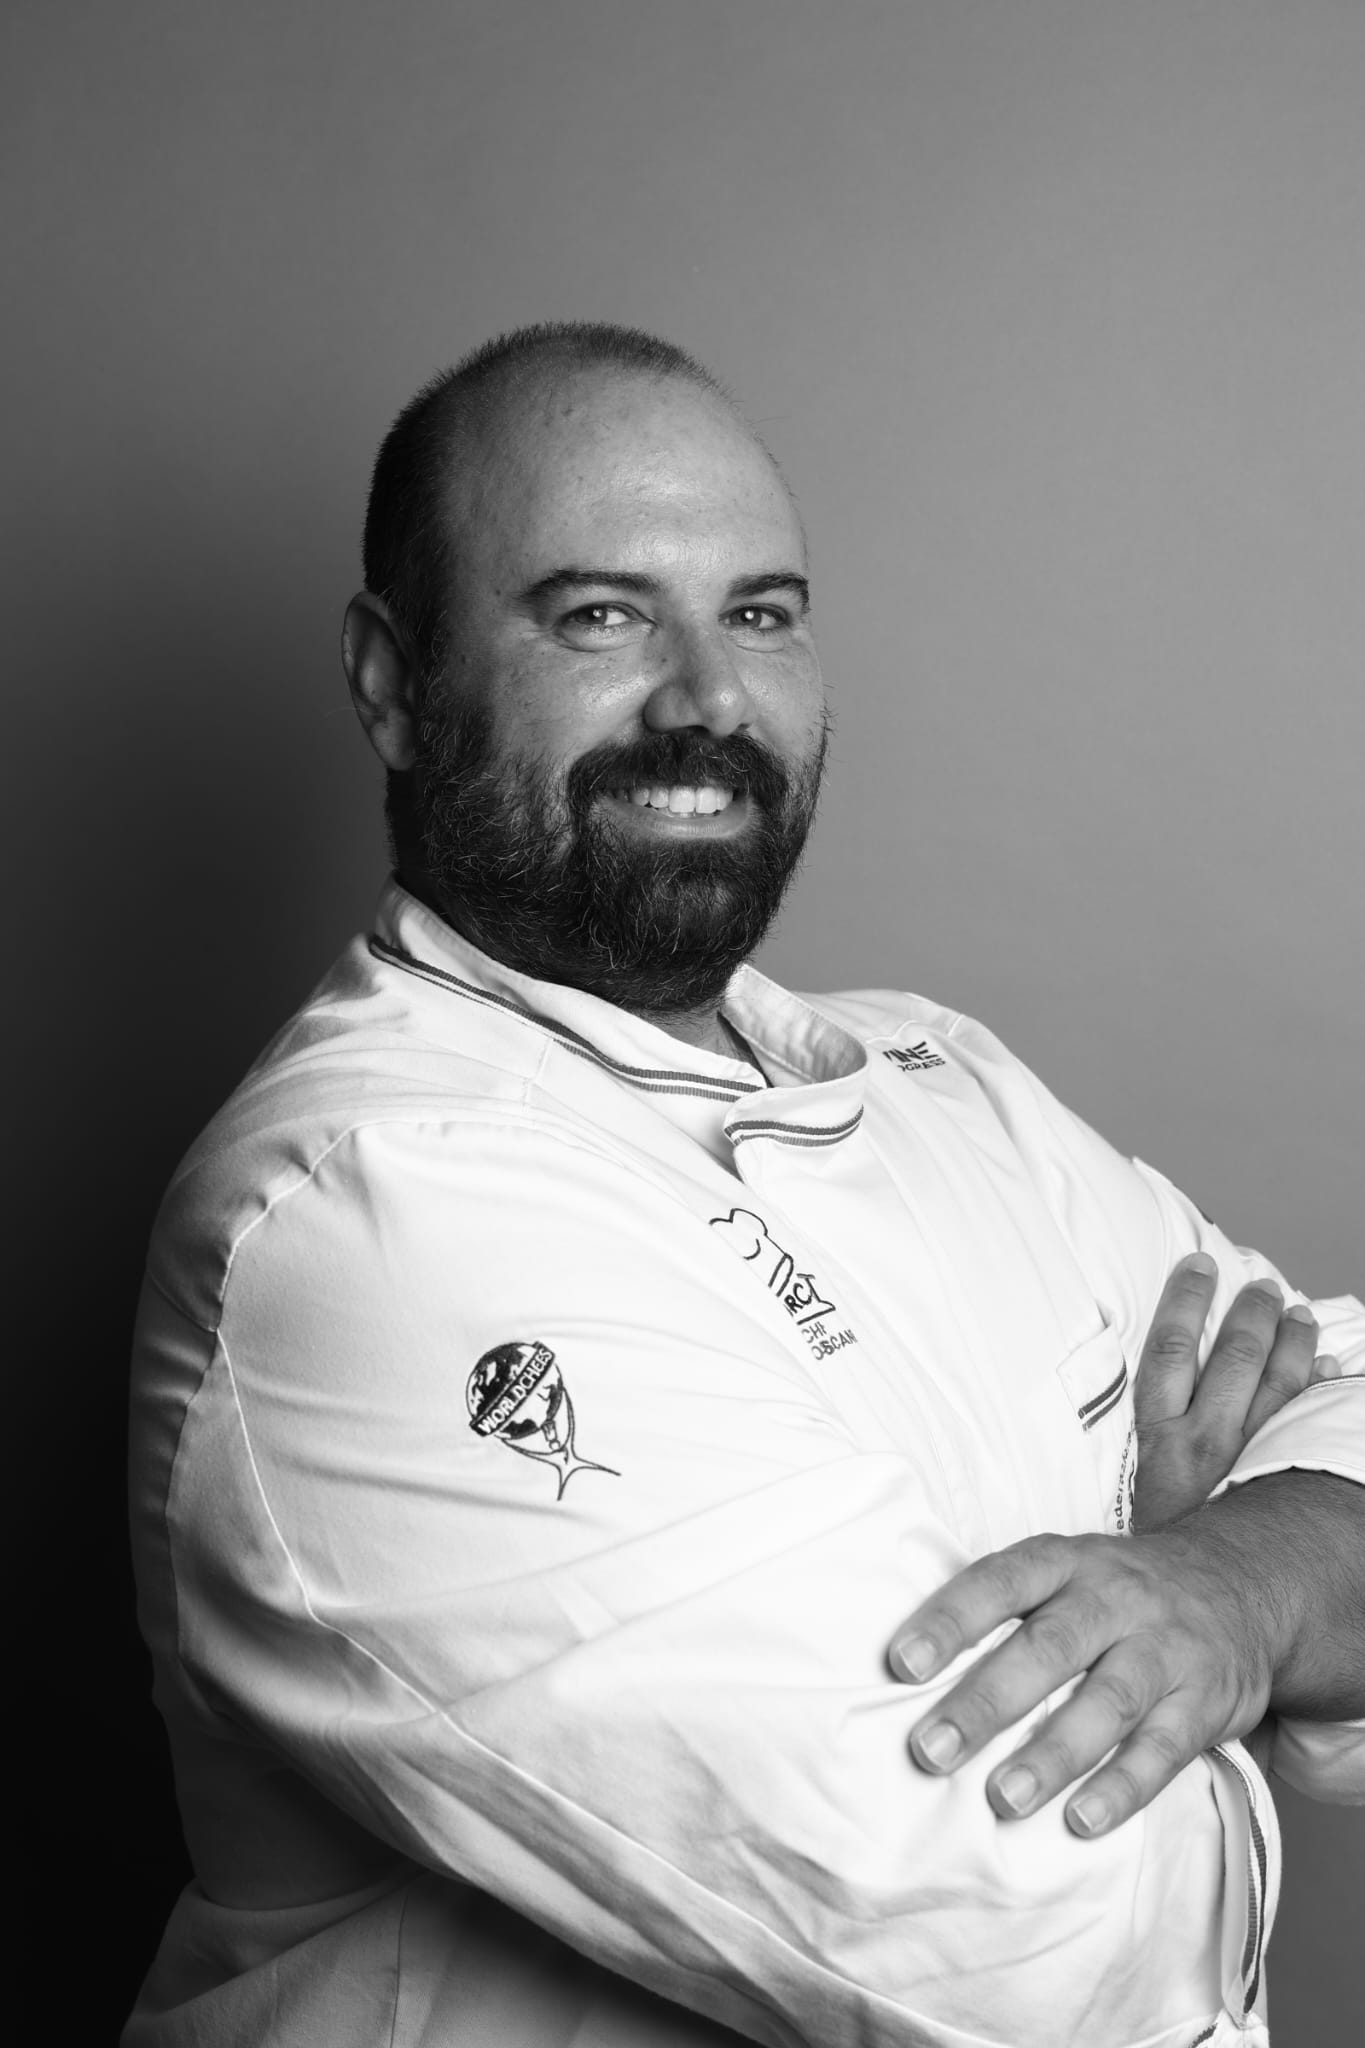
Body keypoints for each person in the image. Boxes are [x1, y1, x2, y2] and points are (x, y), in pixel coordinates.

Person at [125, 323, 1365, 2048]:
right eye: (600, 615)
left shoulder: (940, 1077)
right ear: (393, 683)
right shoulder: (364, 1214)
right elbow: (1029, 1942)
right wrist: (1258, 1636)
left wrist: (1231, 1585)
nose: (707, 699)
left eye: (761, 614)